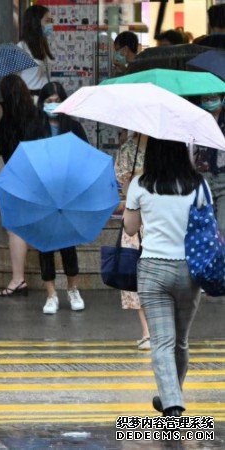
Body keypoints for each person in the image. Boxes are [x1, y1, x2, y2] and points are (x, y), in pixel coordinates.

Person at [124, 137, 206, 417]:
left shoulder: (141, 184)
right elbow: (207, 225)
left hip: (153, 270)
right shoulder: (198, 184)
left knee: (162, 342)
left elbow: (131, 229)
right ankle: (173, 395)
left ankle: (171, 402)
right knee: (180, 341)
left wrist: (129, 201)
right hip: (189, 270)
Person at [0, 74, 48, 297]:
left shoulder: (1, 109)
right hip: (35, 174)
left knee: (15, 228)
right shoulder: (37, 113)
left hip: (12, 174)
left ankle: (18, 279)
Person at [36, 82, 86, 314]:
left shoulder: (74, 128)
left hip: (68, 194)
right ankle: (50, 294)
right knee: (45, 245)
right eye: (48, 101)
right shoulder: (35, 128)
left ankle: (72, 289)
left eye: (57, 100)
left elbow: (85, 157)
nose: (53, 105)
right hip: (43, 193)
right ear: (42, 103)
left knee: (68, 244)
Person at [115, 131, 151, 350]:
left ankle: (159, 331)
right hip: (137, 217)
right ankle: (147, 332)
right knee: (137, 274)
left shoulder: (168, 148)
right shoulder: (128, 149)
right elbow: (124, 189)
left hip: (160, 217)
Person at [192, 94, 225, 237]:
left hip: (223, 176)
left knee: (223, 226)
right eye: (205, 99)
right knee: (204, 224)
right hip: (202, 176)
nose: (209, 101)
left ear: (222, 97)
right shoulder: (198, 118)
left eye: (213, 97)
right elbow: (193, 148)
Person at [17, 5, 55, 97]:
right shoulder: (21, 47)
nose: (51, 24)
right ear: (36, 23)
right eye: (47, 21)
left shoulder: (43, 45)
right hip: (30, 96)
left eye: (51, 20)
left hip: (46, 94)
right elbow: (16, 79)